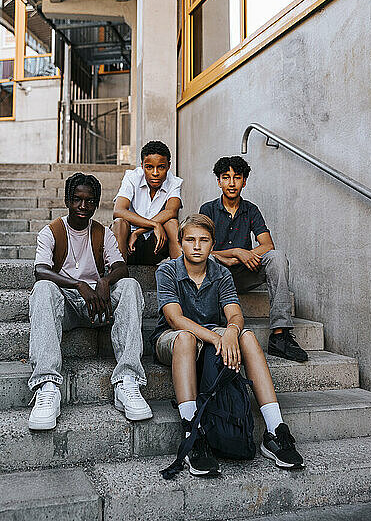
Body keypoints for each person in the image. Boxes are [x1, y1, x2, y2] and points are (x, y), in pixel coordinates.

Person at [151, 214, 304, 477]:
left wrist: (232, 331)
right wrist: (217, 338)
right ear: (181, 243)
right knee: (187, 338)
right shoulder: (167, 270)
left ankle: (275, 430)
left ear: (213, 245)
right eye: (190, 240)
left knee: (247, 336)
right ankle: (192, 432)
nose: (196, 246)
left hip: (213, 335)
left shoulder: (221, 272)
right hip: (173, 339)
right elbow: (175, 319)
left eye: (203, 240)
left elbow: (235, 315)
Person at [28, 172, 152, 431]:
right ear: (67, 200)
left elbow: (120, 266)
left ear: (96, 203)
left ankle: (127, 381)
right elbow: (40, 270)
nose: (83, 207)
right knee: (43, 289)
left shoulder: (103, 233)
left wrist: (105, 282)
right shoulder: (51, 232)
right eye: (77, 200)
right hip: (68, 305)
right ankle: (47, 385)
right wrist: (78, 284)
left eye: (89, 201)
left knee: (129, 286)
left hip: (98, 305)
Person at [199, 156, 308, 363]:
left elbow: (268, 245)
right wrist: (234, 253)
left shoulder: (251, 209)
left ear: (244, 181)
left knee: (277, 258)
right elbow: (201, 250)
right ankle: (213, 327)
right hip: (217, 276)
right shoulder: (208, 210)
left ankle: (280, 336)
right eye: (226, 177)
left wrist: (241, 255)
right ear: (218, 181)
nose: (232, 183)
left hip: (244, 274)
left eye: (237, 178)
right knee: (208, 262)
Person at [112, 140, 182, 264]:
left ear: (168, 166)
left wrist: (139, 231)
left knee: (172, 223)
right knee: (119, 223)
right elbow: (118, 211)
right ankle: (119, 274)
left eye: (161, 167)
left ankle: (181, 276)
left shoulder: (174, 182)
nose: (155, 173)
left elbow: (171, 211)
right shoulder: (132, 177)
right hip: (127, 244)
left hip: (155, 245)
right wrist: (154, 224)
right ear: (142, 165)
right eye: (149, 167)